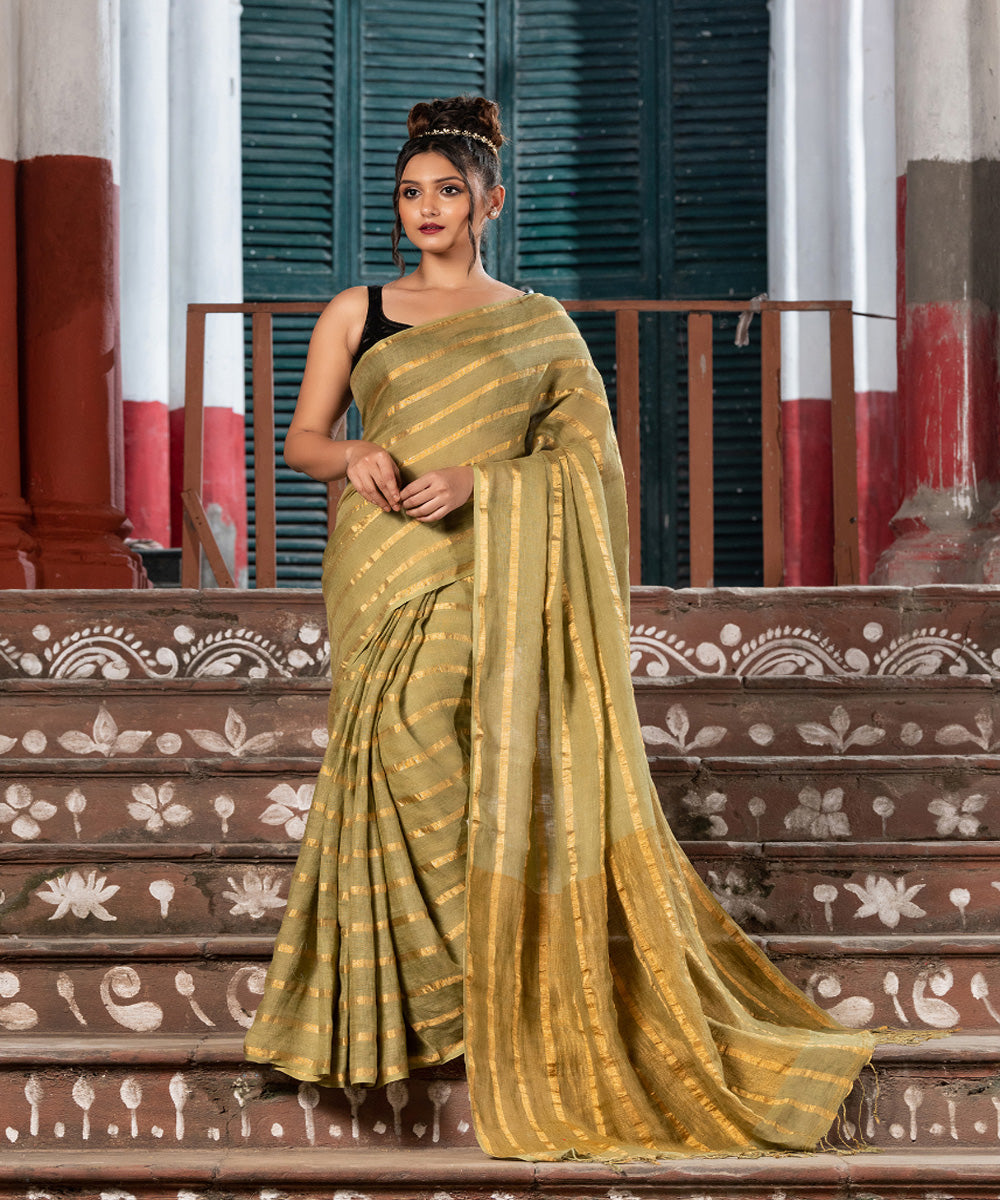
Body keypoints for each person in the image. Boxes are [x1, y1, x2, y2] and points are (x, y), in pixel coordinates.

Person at [244, 94, 874, 1161]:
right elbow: (302, 440)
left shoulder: (539, 326)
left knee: (452, 748)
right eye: (411, 191)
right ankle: (445, 995)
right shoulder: (360, 311)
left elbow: (589, 463)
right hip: (382, 566)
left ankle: (494, 985)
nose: (426, 208)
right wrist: (353, 454)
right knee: (396, 753)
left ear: (489, 202)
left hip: (486, 562)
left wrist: (479, 481)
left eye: (449, 190)